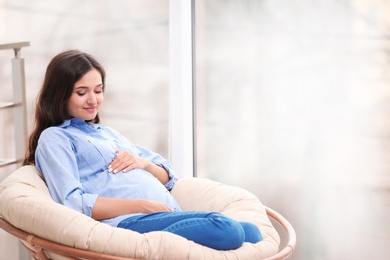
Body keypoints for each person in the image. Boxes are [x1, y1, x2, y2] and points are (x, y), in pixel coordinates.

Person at [23, 50, 262, 250]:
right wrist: (142, 205)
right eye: (81, 93)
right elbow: (73, 203)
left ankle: (172, 243)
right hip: (130, 223)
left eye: (98, 90)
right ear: (60, 95)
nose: (93, 100)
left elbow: (169, 178)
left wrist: (144, 164)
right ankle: (158, 247)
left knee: (251, 231)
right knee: (227, 229)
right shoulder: (55, 138)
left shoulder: (105, 133)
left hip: (164, 214)